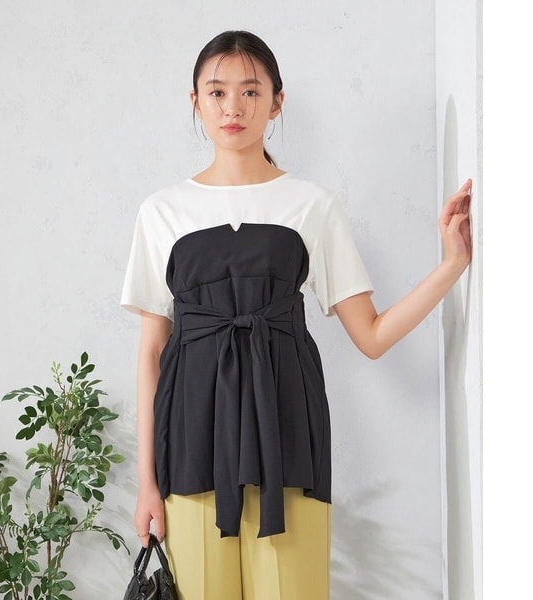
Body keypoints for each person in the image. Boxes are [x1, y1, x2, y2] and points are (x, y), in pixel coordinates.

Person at [120, 30, 471, 600]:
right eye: (217, 92)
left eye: (251, 91)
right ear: (195, 102)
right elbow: (151, 352)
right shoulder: (161, 212)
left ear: (277, 102)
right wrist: (147, 483)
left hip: (288, 436)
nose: (233, 108)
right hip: (190, 441)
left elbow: (372, 335)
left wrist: (453, 263)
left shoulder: (312, 205)